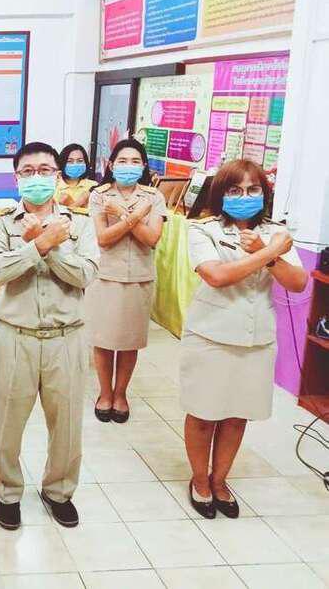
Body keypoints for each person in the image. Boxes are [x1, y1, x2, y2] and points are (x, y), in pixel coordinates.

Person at [0, 142, 99, 530]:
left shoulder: (80, 224)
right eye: (28, 171)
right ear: (16, 178)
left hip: (67, 336)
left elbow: (84, 274)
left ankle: (59, 491)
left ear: (57, 176)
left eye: (45, 170)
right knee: (8, 422)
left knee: (67, 424)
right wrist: (39, 244)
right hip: (16, 335)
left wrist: (51, 248)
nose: (37, 178)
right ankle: (8, 493)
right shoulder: (0, 224)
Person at [180, 159, 306, 519]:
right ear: (221, 194)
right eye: (235, 190)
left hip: (256, 340)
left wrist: (270, 254)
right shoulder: (203, 230)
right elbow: (217, 276)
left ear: (264, 194)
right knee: (203, 414)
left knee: (237, 416)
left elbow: (298, 283)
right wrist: (268, 252)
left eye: (253, 189)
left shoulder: (275, 232)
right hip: (210, 336)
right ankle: (200, 481)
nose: (244, 196)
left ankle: (220, 481)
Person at [86, 139, 166, 423]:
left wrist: (121, 215)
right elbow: (104, 239)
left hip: (139, 278)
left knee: (130, 341)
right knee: (104, 339)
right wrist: (134, 216)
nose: (128, 166)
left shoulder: (154, 197)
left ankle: (120, 394)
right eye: (122, 161)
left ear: (143, 166)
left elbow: (152, 239)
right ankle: (105, 393)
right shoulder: (99, 195)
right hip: (105, 275)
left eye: (135, 161)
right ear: (111, 165)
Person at [55, 143, 97, 208]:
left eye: (80, 161)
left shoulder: (94, 186)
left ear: (86, 163)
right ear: (62, 163)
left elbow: (98, 212)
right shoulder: (54, 186)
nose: (75, 164)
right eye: (69, 161)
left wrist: (72, 203)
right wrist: (79, 204)